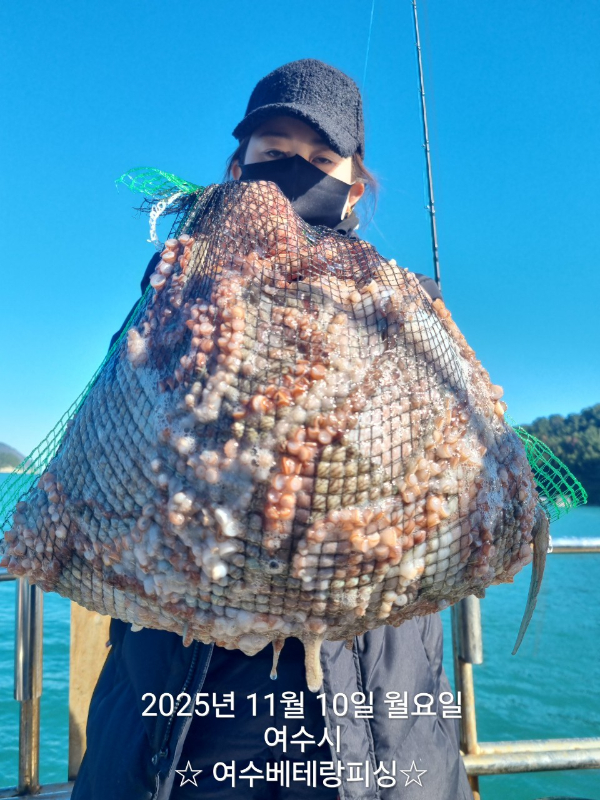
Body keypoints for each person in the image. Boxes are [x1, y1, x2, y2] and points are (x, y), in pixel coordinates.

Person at [71, 59, 472, 800]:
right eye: (275, 150)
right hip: (193, 691)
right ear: (239, 167)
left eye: (321, 157)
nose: (296, 169)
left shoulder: (400, 303)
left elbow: (436, 483)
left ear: (354, 186)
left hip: (367, 691)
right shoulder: (182, 285)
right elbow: (127, 453)